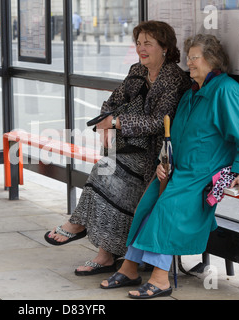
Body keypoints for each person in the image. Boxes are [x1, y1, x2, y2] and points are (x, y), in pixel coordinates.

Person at [100, 34, 239, 299]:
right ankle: (129, 267)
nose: (189, 63)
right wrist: (164, 163)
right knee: (148, 204)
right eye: (189, 58)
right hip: (177, 168)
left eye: (194, 58)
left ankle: (161, 279)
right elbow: (175, 135)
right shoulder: (191, 94)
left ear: (211, 60)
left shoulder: (225, 90)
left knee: (168, 209)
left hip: (203, 172)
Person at [44, 21, 191, 276]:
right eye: (138, 43)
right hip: (127, 147)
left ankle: (86, 234)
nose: (140, 49)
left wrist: (118, 122)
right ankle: (104, 253)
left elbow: (160, 122)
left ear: (165, 47)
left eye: (148, 43)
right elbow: (112, 101)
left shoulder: (174, 79)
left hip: (156, 155)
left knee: (106, 173)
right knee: (107, 178)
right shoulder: (137, 70)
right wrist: (105, 125)